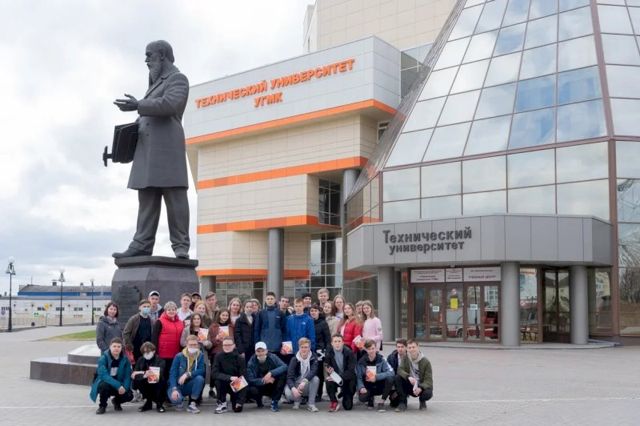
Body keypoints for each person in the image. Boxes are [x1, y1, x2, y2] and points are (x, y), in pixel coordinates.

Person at [112, 40, 191, 260]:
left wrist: (138, 105)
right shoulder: (153, 86)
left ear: (162, 55)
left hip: (167, 152)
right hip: (148, 154)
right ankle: (141, 244)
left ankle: (181, 246)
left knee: (175, 199)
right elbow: (148, 117)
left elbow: (171, 104)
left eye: (149, 55)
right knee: (146, 200)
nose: (146, 60)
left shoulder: (178, 79)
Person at [90, 337, 133, 414]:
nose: (116, 348)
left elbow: (127, 376)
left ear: (121, 348)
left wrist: (125, 388)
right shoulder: (103, 358)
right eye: (114, 346)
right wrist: (118, 386)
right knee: (103, 386)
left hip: (119, 383)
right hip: (107, 383)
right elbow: (104, 376)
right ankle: (102, 406)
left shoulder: (125, 359)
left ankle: (116, 401)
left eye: (119, 346)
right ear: (110, 347)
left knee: (129, 396)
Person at [168, 335, 206, 413]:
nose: (193, 347)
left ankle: (192, 403)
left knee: (200, 378)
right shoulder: (179, 356)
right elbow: (173, 373)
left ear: (198, 345)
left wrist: (188, 374)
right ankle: (179, 400)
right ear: (186, 344)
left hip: (189, 384)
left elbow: (202, 370)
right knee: (176, 400)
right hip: (178, 385)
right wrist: (174, 389)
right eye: (190, 345)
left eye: (195, 345)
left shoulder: (200, 355)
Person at [246, 342, 288, 412]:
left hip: (272, 384)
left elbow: (284, 366)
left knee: (282, 375)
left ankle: (275, 401)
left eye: (262, 351)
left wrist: (271, 373)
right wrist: (264, 381)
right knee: (251, 389)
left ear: (266, 351)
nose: (261, 353)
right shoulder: (251, 362)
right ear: (255, 352)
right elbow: (250, 379)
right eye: (258, 351)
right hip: (260, 385)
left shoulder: (272, 357)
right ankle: (258, 400)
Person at [393, 339, 433, 411]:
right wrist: (408, 377)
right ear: (407, 349)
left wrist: (420, 387)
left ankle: (422, 401)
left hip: (420, 385)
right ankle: (403, 402)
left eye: (413, 347)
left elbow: (428, 381)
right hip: (410, 384)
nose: (412, 349)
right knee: (397, 377)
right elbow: (400, 370)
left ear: (418, 347)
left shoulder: (426, 362)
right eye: (409, 348)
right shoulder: (406, 358)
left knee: (428, 392)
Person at [356, 339, 394, 411]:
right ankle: (370, 398)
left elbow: (391, 372)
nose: (371, 351)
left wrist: (376, 377)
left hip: (379, 384)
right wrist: (361, 387)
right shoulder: (361, 362)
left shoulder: (382, 359)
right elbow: (359, 377)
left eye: (373, 348)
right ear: (366, 350)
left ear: (376, 348)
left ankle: (381, 402)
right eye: (369, 349)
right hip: (368, 385)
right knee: (362, 398)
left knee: (390, 378)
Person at [212, 337, 247, 414]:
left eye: (229, 345)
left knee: (237, 410)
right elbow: (214, 373)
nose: (227, 347)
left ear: (234, 345)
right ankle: (222, 402)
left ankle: (235, 401)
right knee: (218, 380)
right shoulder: (218, 356)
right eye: (225, 345)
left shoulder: (240, 358)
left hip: (236, 384)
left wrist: (240, 401)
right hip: (223, 382)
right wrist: (230, 378)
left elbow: (244, 379)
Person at [284, 337, 320, 412]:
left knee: (316, 379)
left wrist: (305, 381)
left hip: (306, 384)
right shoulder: (294, 359)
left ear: (309, 348)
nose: (304, 349)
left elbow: (313, 371)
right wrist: (293, 388)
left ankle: (311, 404)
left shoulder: (314, 357)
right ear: (299, 347)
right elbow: (289, 377)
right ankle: (297, 400)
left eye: (306, 347)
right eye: (302, 347)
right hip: (297, 384)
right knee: (288, 393)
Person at [324, 334, 357, 412]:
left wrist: (338, 377)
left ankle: (346, 394)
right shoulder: (329, 353)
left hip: (347, 379)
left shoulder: (349, 353)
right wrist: (329, 370)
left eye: (339, 341)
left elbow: (351, 371)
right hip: (336, 377)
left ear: (343, 343)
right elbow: (327, 365)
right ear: (332, 343)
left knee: (348, 407)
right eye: (335, 341)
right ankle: (334, 401)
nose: (337, 343)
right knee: (328, 380)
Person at [152, 301, 184, 380]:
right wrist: (155, 352)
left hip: (176, 354)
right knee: (162, 374)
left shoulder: (181, 322)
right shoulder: (159, 321)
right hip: (162, 354)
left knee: (172, 373)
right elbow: (154, 338)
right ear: (165, 311)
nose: (171, 311)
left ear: (176, 310)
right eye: (169, 310)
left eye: (173, 309)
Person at [131, 342, 166, 412]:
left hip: (157, 382)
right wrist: (144, 374)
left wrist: (146, 373)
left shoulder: (160, 360)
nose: (146, 354)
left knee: (160, 381)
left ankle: (159, 404)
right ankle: (148, 402)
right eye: (144, 352)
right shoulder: (140, 360)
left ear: (154, 351)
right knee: (137, 380)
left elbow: (160, 372)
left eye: (148, 352)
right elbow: (134, 373)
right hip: (145, 382)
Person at [208, 309, 234, 396]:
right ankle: (212, 389)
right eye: (223, 315)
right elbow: (210, 341)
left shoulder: (231, 326)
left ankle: (227, 390)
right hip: (217, 352)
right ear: (219, 315)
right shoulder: (213, 326)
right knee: (215, 371)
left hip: (229, 352)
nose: (225, 317)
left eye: (226, 315)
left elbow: (234, 339)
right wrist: (217, 338)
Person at [310, 304, 331, 402]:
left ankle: (319, 394)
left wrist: (327, 351)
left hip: (320, 351)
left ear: (319, 312)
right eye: (312, 311)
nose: (313, 312)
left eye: (315, 310)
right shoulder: (308, 322)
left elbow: (328, 339)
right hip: (310, 350)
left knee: (319, 373)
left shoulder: (323, 323)